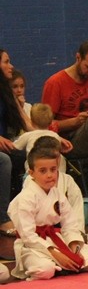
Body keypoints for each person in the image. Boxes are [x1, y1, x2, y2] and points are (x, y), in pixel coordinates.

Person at [8, 143, 88, 281]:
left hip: (56, 239)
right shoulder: (25, 198)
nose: (50, 175)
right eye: (43, 171)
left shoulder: (57, 193)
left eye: (53, 170)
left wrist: (74, 247)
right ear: (31, 173)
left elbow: (69, 224)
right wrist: (55, 253)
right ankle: (57, 267)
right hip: (31, 246)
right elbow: (27, 236)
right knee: (45, 269)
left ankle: (62, 268)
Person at [1, 48, 29, 237]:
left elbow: (27, 124)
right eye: (6, 62)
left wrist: (51, 138)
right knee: (3, 160)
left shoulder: (6, 92)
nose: (11, 66)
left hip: (6, 144)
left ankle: (31, 211)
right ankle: (2, 218)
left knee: (36, 154)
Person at [14, 103, 73, 174]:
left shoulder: (28, 135)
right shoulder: (55, 136)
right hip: (54, 172)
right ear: (51, 123)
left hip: (34, 173)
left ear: (31, 122)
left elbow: (14, 147)